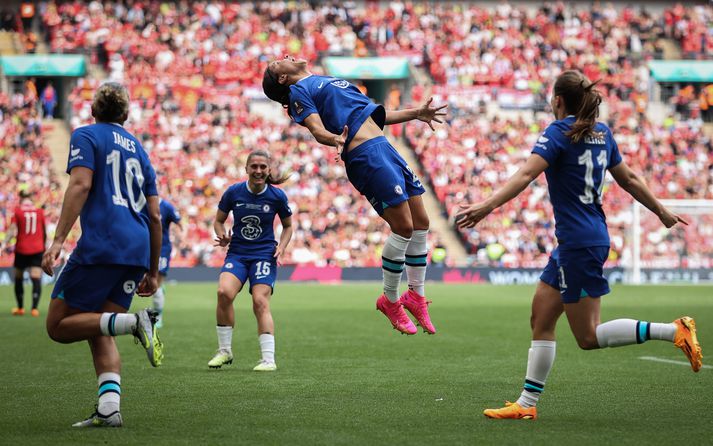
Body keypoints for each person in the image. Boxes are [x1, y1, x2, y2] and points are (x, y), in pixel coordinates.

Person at [456, 70, 703, 420]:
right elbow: (629, 178)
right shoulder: (601, 133)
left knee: (587, 336)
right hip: (577, 240)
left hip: (580, 243)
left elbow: (526, 174)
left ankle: (673, 330)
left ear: (558, 100)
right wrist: (661, 211)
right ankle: (526, 405)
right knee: (541, 316)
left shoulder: (558, 132)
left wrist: (486, 207)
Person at [263, 55, 446, 335]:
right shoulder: (301, 91)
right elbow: (316, 129)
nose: (285, 57)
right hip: (365, 155)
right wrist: (334, 138)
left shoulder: (327, 81)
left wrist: (416, 114)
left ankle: (416, 296)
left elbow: (376, 118)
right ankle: (390, 299)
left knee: (421, 222)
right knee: (404, 227)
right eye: (278, 63)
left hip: (384, 147)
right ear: (283, 79)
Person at [41, 82, 164, 428]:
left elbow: (80, 185)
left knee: (58, 325)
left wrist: (57, 241)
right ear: (125, 115)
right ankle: (110, 410)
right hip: (136, 248)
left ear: (93, 111)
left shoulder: (86, 136)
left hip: (102, 245)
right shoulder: (140, 150)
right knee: (99, 327)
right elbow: (155, 215)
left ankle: (135, 323)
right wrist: (153, 271)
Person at [207, 150, 293, 372]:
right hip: (237, 253)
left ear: (269, 170)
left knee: (260, 302)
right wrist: (222, 235)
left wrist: (281, 247)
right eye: (254, 166)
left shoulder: (277, 196)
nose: (258, 171)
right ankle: (224, 351)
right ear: (246, 169)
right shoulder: (233, 192)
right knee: (223, 293)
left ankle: (268, 359)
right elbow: (218, 220)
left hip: (264, 254)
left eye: (263, 167)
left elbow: (288, 225)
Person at [3, 190, 46, 317]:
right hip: (38, 249)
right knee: (36, 278)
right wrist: (43, 247)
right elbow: (43, 232)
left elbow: (12, 230)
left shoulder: (17, 211)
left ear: (21, 199)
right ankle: (34, 309)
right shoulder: (39, 212)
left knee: (18, 278)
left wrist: (4, 243)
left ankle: (20, 308)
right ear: (31, 199)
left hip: (22, 249)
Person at [152, 197, 183, 328]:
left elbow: (180, 222)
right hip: (144, 247)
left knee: (155, 285)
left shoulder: (166, 206)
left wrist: (181, 237)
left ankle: (158, 316)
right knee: (147, 283)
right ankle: (159, 291)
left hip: (162, 248)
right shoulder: (138, 201)